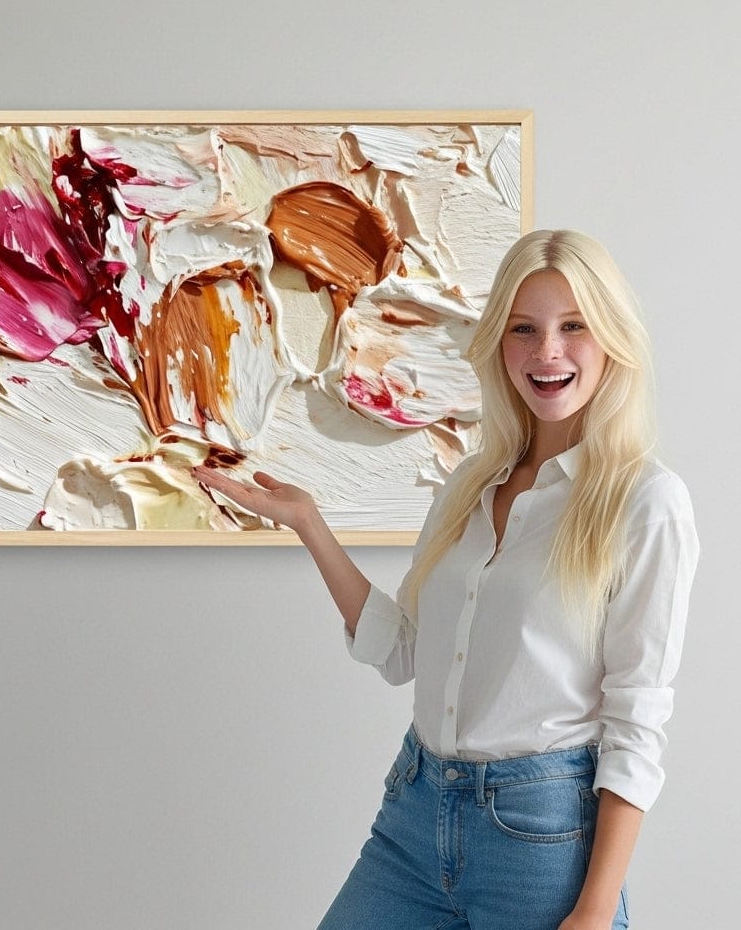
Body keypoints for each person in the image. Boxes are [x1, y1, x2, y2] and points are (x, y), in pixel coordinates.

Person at [192, 229, 699, 930]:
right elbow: (403, 650)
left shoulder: (646, 501)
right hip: (415, 810)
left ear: (611, 338)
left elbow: (636, 719)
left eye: (573, 326)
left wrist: (594, 908)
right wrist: (309, 523)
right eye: (524, 329)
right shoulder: (469, 484)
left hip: (541, 833)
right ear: (500, 344)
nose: (547, 351)